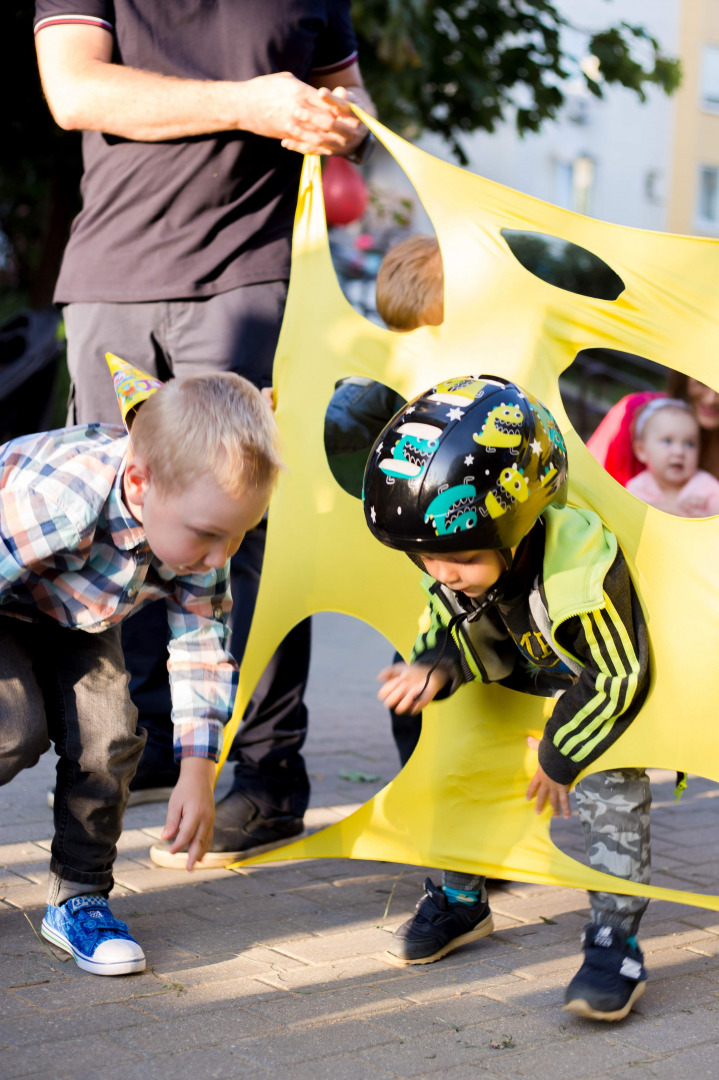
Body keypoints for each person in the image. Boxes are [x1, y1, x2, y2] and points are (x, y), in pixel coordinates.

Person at [33, 1, 375, 864]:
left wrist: (337, 123)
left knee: (238, 527)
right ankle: (137, 743)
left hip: (249, 269)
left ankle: (264, 774)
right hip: (112, 269)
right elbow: (73, 90)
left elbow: (355, 106)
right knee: (118, 514)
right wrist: (250, 103)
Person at [363, 374, 651, 1022]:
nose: (440, 573)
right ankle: (460, 897)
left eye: (459, 557)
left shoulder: (580, 566)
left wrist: (557, 759)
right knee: (442, 747)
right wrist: (434, 669)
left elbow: (616, 675)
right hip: (512, 684)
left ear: (515, 527)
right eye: (424, 558)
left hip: (586, 701)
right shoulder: (449, 565)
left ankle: (614, 940)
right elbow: (447, 628)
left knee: (612, 790)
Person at [0, 364, 281, 974]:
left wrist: (198, 773)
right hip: (9, 594)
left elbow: (203, 646)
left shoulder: (204, 534)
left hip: (77, 614)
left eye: (238, 537)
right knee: (12, 728)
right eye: (208, 536)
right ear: (139, 479)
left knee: (111, 738)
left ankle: (78, 896)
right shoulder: (58, 498)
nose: (220, 557)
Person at [324, 234, 444, 763]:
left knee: (437, 655)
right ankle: (422, 771)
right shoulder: (383, 383)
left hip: (453, 547)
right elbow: (341, 424)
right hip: (421, 550)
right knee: (419, 658)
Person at [587, 375, 719, 487]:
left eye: (690, 444)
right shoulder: (634, 414)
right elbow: (589, 479)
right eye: (702, 382)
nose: (711, 399)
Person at [626, 398, 719, 517]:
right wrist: (673, 509)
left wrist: (706, 516)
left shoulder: (708, 487)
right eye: (667, 441)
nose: (679, 452)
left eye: (690, 444)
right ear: (642, 451)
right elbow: (630, 514)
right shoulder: (638, 487)